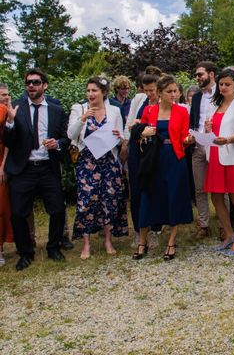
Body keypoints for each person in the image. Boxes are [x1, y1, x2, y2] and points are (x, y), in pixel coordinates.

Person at [3, 68, 70, 271]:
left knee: (57, 209)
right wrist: (10, 122)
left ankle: (53, 247)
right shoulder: (17, 109)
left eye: (35, 82)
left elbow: (66, 138)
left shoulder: (57, 110)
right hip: (24, 169)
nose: (31, 86)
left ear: (44, 85)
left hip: (47, 167)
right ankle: (25, 253)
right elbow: (7, 141)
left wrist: (56, 143)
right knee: (18, 213)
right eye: (28, 83)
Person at [132, 75, 193, 261]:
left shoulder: (182, 112)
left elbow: (183, 136)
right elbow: (138, 135)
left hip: (174, 157)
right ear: (159, 93)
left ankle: (171, 242)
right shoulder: (150, 111)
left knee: (173, 197)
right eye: (169, 91)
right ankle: (142, 242)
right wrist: (143, 132)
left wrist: (189, 140)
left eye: (175, 91)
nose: (173, 95)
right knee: (147, 196)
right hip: (153, 158)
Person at [68, 77, 128, 259]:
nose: (90, 94)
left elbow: (122, 136)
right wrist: (82, 119)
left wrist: (120, 136)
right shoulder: (78, 109)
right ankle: (85, 243)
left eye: (94, 90)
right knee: (86, 201)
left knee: (109, 199)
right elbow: (71, 134)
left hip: (109, 160)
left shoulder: (114, 110)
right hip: (87, 162)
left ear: (104, 92)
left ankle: (108, 239)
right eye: (88, 91)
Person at [203, 68, 234, 255]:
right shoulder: (215, 105)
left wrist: (229, 139)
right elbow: (212, 131)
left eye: (227, 84)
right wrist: (207, 129)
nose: (223, 87)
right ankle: (228, 234)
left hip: (232, 156)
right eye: (221, 84)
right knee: (215, 196)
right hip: (215, 154)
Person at [125, 71, 162, 248]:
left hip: (154, 151)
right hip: (137, 150)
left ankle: (154, 229)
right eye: (146, 90)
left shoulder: (165, 104)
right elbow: (130, 125)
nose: (149, 94)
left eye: (152, 90)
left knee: (153, 189)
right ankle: (139, 229)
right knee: (136, 190)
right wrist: (137, 128)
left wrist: (141, 127)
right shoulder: (138, 101)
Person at [187, 61, 218, 240]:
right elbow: (193, 120)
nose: (197, 78)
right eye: (197, 75)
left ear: (211, 74)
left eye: (201, 74)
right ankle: (204, 225)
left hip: (216, 144)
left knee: (221, 188)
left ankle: (224, 224)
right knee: (199, 188)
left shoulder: (222, 93)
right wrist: (191, 134)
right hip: (198, 144)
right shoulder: (197, 97)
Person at [0, 89, 13, 266]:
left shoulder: (5, 111)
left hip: (1, 157)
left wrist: (3, 165)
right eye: (1, 94)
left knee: (1, 207)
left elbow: (9, 141)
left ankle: (0, 248)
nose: (5, 96)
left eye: (6, 93)